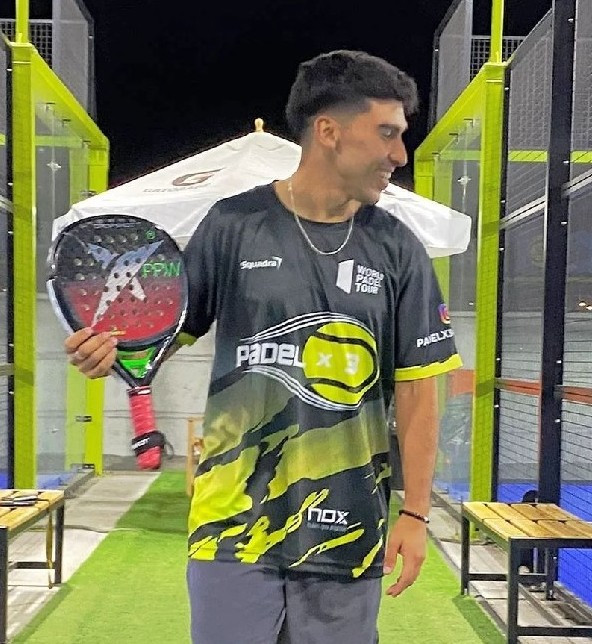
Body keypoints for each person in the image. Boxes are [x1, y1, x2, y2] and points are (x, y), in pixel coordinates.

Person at [64, 50, 462, 644]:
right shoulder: (231, 225)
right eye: (386, 133)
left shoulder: (398, 247)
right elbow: (159, 337)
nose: (399, 155)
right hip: (230, 525)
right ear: (328, 131)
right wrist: (110, 353)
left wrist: (414, 512)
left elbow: (419, 390)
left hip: (349, 526)